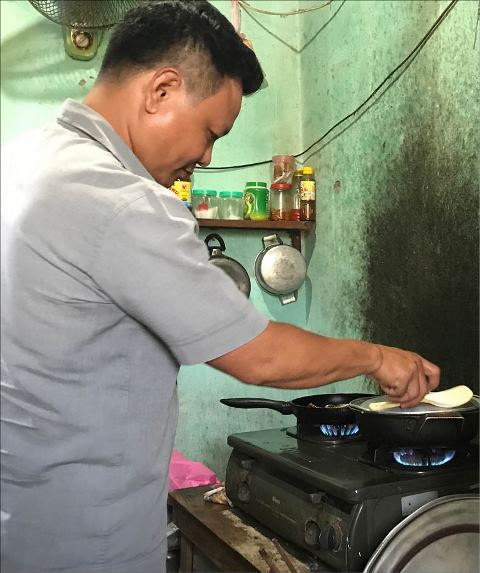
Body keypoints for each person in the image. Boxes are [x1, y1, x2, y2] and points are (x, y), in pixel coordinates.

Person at [0, 1, 440, 572]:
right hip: (85, 542)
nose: (207, 158)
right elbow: (259, 356)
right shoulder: (122, 199)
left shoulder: (22, 161)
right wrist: (378, 358)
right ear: (161, 90)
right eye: (210, 132)